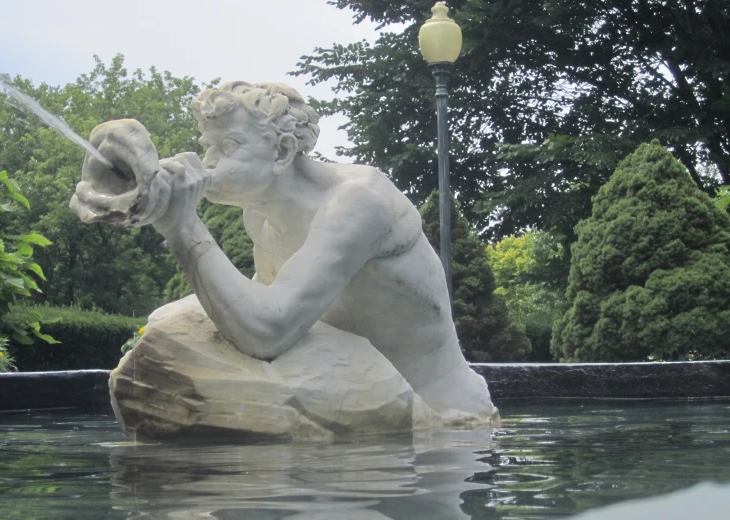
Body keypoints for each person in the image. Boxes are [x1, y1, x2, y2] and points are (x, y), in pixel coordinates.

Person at [71, 81, 497, 421]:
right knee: (171, 322)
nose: (209, 161)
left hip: (437, 420)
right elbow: (251, 311)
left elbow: (268, 331)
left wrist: (182, 226)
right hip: (354, 403)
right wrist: (144, 194)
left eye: (229, 147)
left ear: (282, 152)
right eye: (208, 146)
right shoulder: (259, 217)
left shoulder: (359, 202)